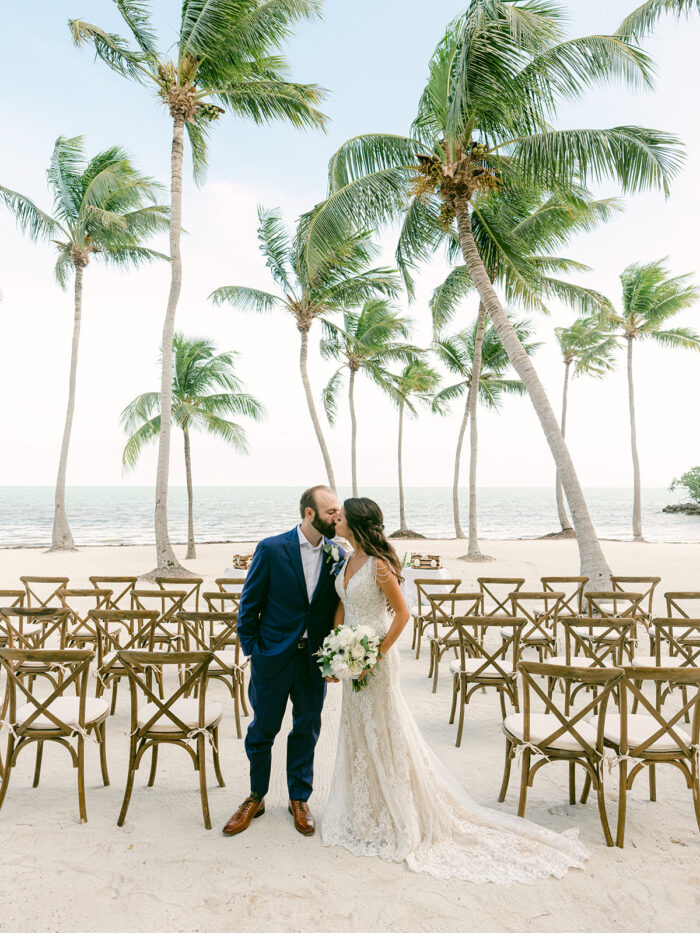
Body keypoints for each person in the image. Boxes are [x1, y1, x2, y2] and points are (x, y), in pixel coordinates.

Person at [321, 496, 588, 884]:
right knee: (357, 728)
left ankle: (398, 811)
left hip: (376, 660)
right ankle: (365, 810)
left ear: (357, 522)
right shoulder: (346, 560)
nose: (336, 521)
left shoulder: (379, 565)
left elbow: (403, 615)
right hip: (352, 657)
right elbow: (342, 607)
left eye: (341, 517)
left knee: (385, 727)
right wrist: (336, 652)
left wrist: (374, 654)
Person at [222, 485, 344, 837]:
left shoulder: (337, 554)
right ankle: (256, 797)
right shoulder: (272, 548)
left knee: (306, 729)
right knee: (262, 731)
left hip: (313, 662)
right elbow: (249, 606)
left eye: (338, 512)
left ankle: (299, 798)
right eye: (330, 511)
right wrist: (255, 652)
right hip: (272, 659)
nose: (337, 517)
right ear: (309, 513)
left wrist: (334, 657)